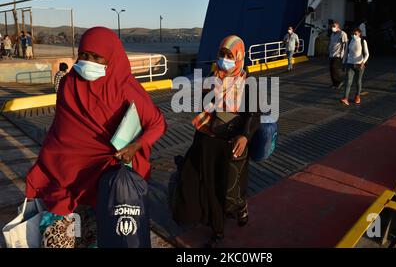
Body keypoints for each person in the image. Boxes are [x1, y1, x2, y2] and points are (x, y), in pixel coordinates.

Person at [25, 27, 167, 247]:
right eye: (83, 55)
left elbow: (156, 124)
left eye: (96, 57)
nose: (88, 62)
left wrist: (136, 146)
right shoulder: (69, 82)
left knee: (103, 233)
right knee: (57, 237)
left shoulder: (124, 87)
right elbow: (63, 127)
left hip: (105, 177)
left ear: (111, 57)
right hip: (67, 174)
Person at [172, 35, 260, 247]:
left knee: (231, 188)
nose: (224, 59)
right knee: (210, 187)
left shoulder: (248, 83)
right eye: (222, 54)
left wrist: (245, 136)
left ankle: (241, 207)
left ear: (239, 57)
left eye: (230, 55)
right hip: (208, 140)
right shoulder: (212, 78)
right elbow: (205, 108)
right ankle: (218, 230)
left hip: (231, 143)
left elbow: (254, 113)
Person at [341, 28, 369, 106]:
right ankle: (345, 98)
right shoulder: (349, 41)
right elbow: (346, 53)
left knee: (358, 82)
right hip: (350, 64)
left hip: (359, 65)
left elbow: (367, 54)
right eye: (352, 34)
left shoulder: (363, 41)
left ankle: (357, 96)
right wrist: (343, 63)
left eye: (355, 34)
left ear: (359, 33)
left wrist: (363, 62)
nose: (354, 35)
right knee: (348, 82)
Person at [328, 21, 348, 89]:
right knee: (331, 69)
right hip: (331, 54)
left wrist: (344, 56)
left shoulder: (342, 34)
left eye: (334, 26)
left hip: (338, 55)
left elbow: (345, 45)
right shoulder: (332, 34)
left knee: (335, 68)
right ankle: (334, 83)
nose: (332, 28)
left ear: (338, 27)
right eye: (332, 26)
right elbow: (331, 43)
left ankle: (339, 82)